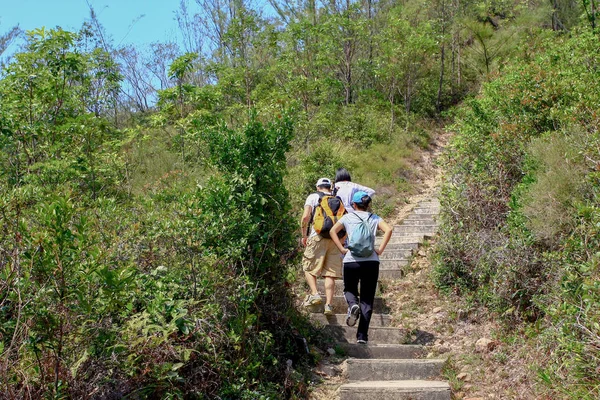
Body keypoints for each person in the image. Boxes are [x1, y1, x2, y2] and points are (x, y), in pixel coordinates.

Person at [330, 191, 393, 345]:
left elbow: (332, 231)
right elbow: (389, 230)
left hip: (351, 261)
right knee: (367, 299)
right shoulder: (375, 218)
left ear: (354, 204)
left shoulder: (347, 217)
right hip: (371, 261)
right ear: (368, 205)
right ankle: (362, 336)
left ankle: (353, 305)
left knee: (349, 290)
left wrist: (342, 249)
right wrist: (380, 250)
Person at [300, 177, 344, 316]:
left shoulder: (313, 197)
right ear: (330, 187)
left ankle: (315, 293)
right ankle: (329, 305)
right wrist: (342, 240)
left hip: (317, 236)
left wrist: (304, 235)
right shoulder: (338, 200)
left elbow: (305, 217)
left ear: (318, 187)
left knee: (308, 266)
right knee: (330, 273)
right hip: (334, 239)